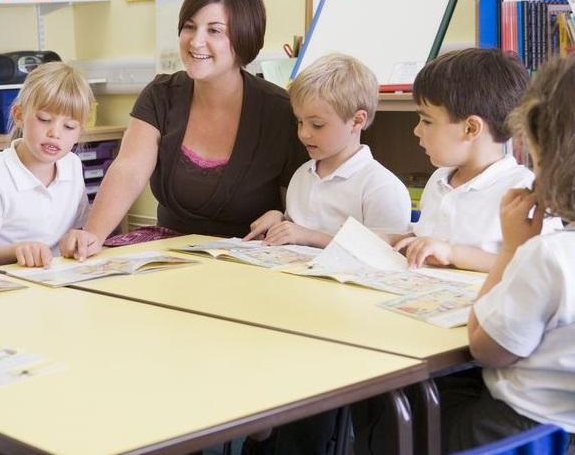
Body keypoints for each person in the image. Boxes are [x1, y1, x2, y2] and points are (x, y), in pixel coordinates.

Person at [61, 0, 307, 260]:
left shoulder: (280, 111)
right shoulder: (160, 95)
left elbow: (300, 204)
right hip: (169, 254)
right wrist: (92, 236)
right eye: (189, 26)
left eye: (214, 31)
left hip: (249, 259)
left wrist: (281, 218)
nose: (196, 41)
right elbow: (128, 169)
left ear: (244, 37)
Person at [438, 55, 575, 453]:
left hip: (520, 433)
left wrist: (513, 249)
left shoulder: (547, 255)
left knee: (400, 408)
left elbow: (487, 348)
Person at [387, 47, 559, 272]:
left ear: (471, 128)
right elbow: (426, 238)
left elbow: (540, 267)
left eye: (426, 121)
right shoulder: (439, 180)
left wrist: (453, 253)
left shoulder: (523, 190)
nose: (417, 131)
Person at [245, 53, 411, 247]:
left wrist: (309, 237)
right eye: (299, 122)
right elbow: (295, 232)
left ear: (357, 121)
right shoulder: (302, 175)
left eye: (317, 125)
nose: (304, 134)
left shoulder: (380, 186)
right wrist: (278, 220)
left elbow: (386, 251)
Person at [0, 61, 95, 273]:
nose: (55, 133)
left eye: (69, 126)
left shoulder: (72, 165)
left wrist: (80, 238)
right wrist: (18, 251)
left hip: (51, 280)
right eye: (45, 119)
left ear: (80, 131)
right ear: (19, 115)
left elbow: (79, 228)